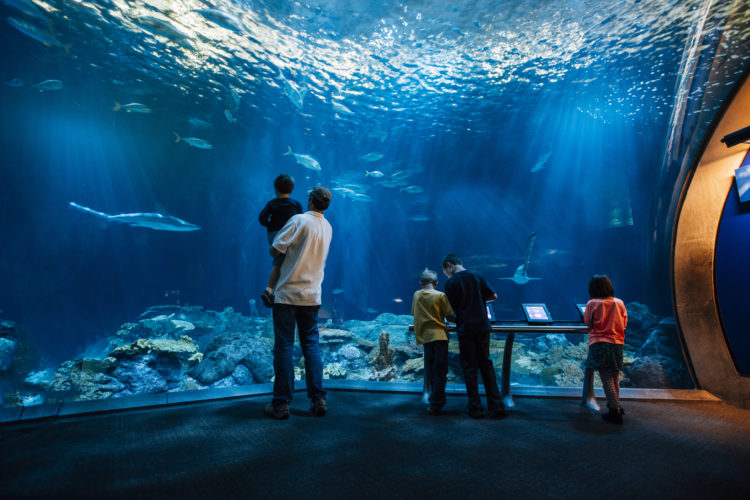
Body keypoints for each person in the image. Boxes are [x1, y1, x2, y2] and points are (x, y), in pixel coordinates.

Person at [264, 186, 333, 420]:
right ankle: (318, 399)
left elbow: (275, 250)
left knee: (284, 347)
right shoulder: (328, 227)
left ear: (311, 199)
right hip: (312, 297)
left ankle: (282, 403)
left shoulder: (299, 220)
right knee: (311, 346)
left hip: (287, 295)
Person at [442, 254, 507, 419]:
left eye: (446, 272)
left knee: (470, 368)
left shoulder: (451, 282)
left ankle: (475, 408)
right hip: (483, 327)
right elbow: (494, 296)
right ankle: (497, 406)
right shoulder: (477, 276)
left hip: (466, 328)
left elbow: (450, 309)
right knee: (486, 365)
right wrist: (478, 301)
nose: (447, 275)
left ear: (449, 265)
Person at [583, 275, 628, 424]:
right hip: (617, 343)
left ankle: (615, 411)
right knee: (614, 376)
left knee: (606, 378)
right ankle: (616, 406)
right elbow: (624, 322)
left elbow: (588, 323)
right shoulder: (619, 303)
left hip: (600, 343)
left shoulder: (592, 303)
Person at [411, 268, 455, 415]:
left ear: (420, 283)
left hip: (425, 337)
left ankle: (432, 400)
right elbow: (449, 316)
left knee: (430, 369)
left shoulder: (416, 295)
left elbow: (414, 313)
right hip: (440, 336)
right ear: (436, 283)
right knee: (440, 370)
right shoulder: (440, 295)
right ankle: (437, 403)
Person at [258, 174, 303, 308]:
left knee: (278, 263)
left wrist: (271, 224)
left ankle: (270, 290)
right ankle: (276, 291)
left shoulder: (272, 203)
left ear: (275, 189)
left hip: (274, 236)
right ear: (291, 189)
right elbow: (300, 221)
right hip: (290, 237)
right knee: (285, 261)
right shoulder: (296, 204)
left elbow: (262, 219)